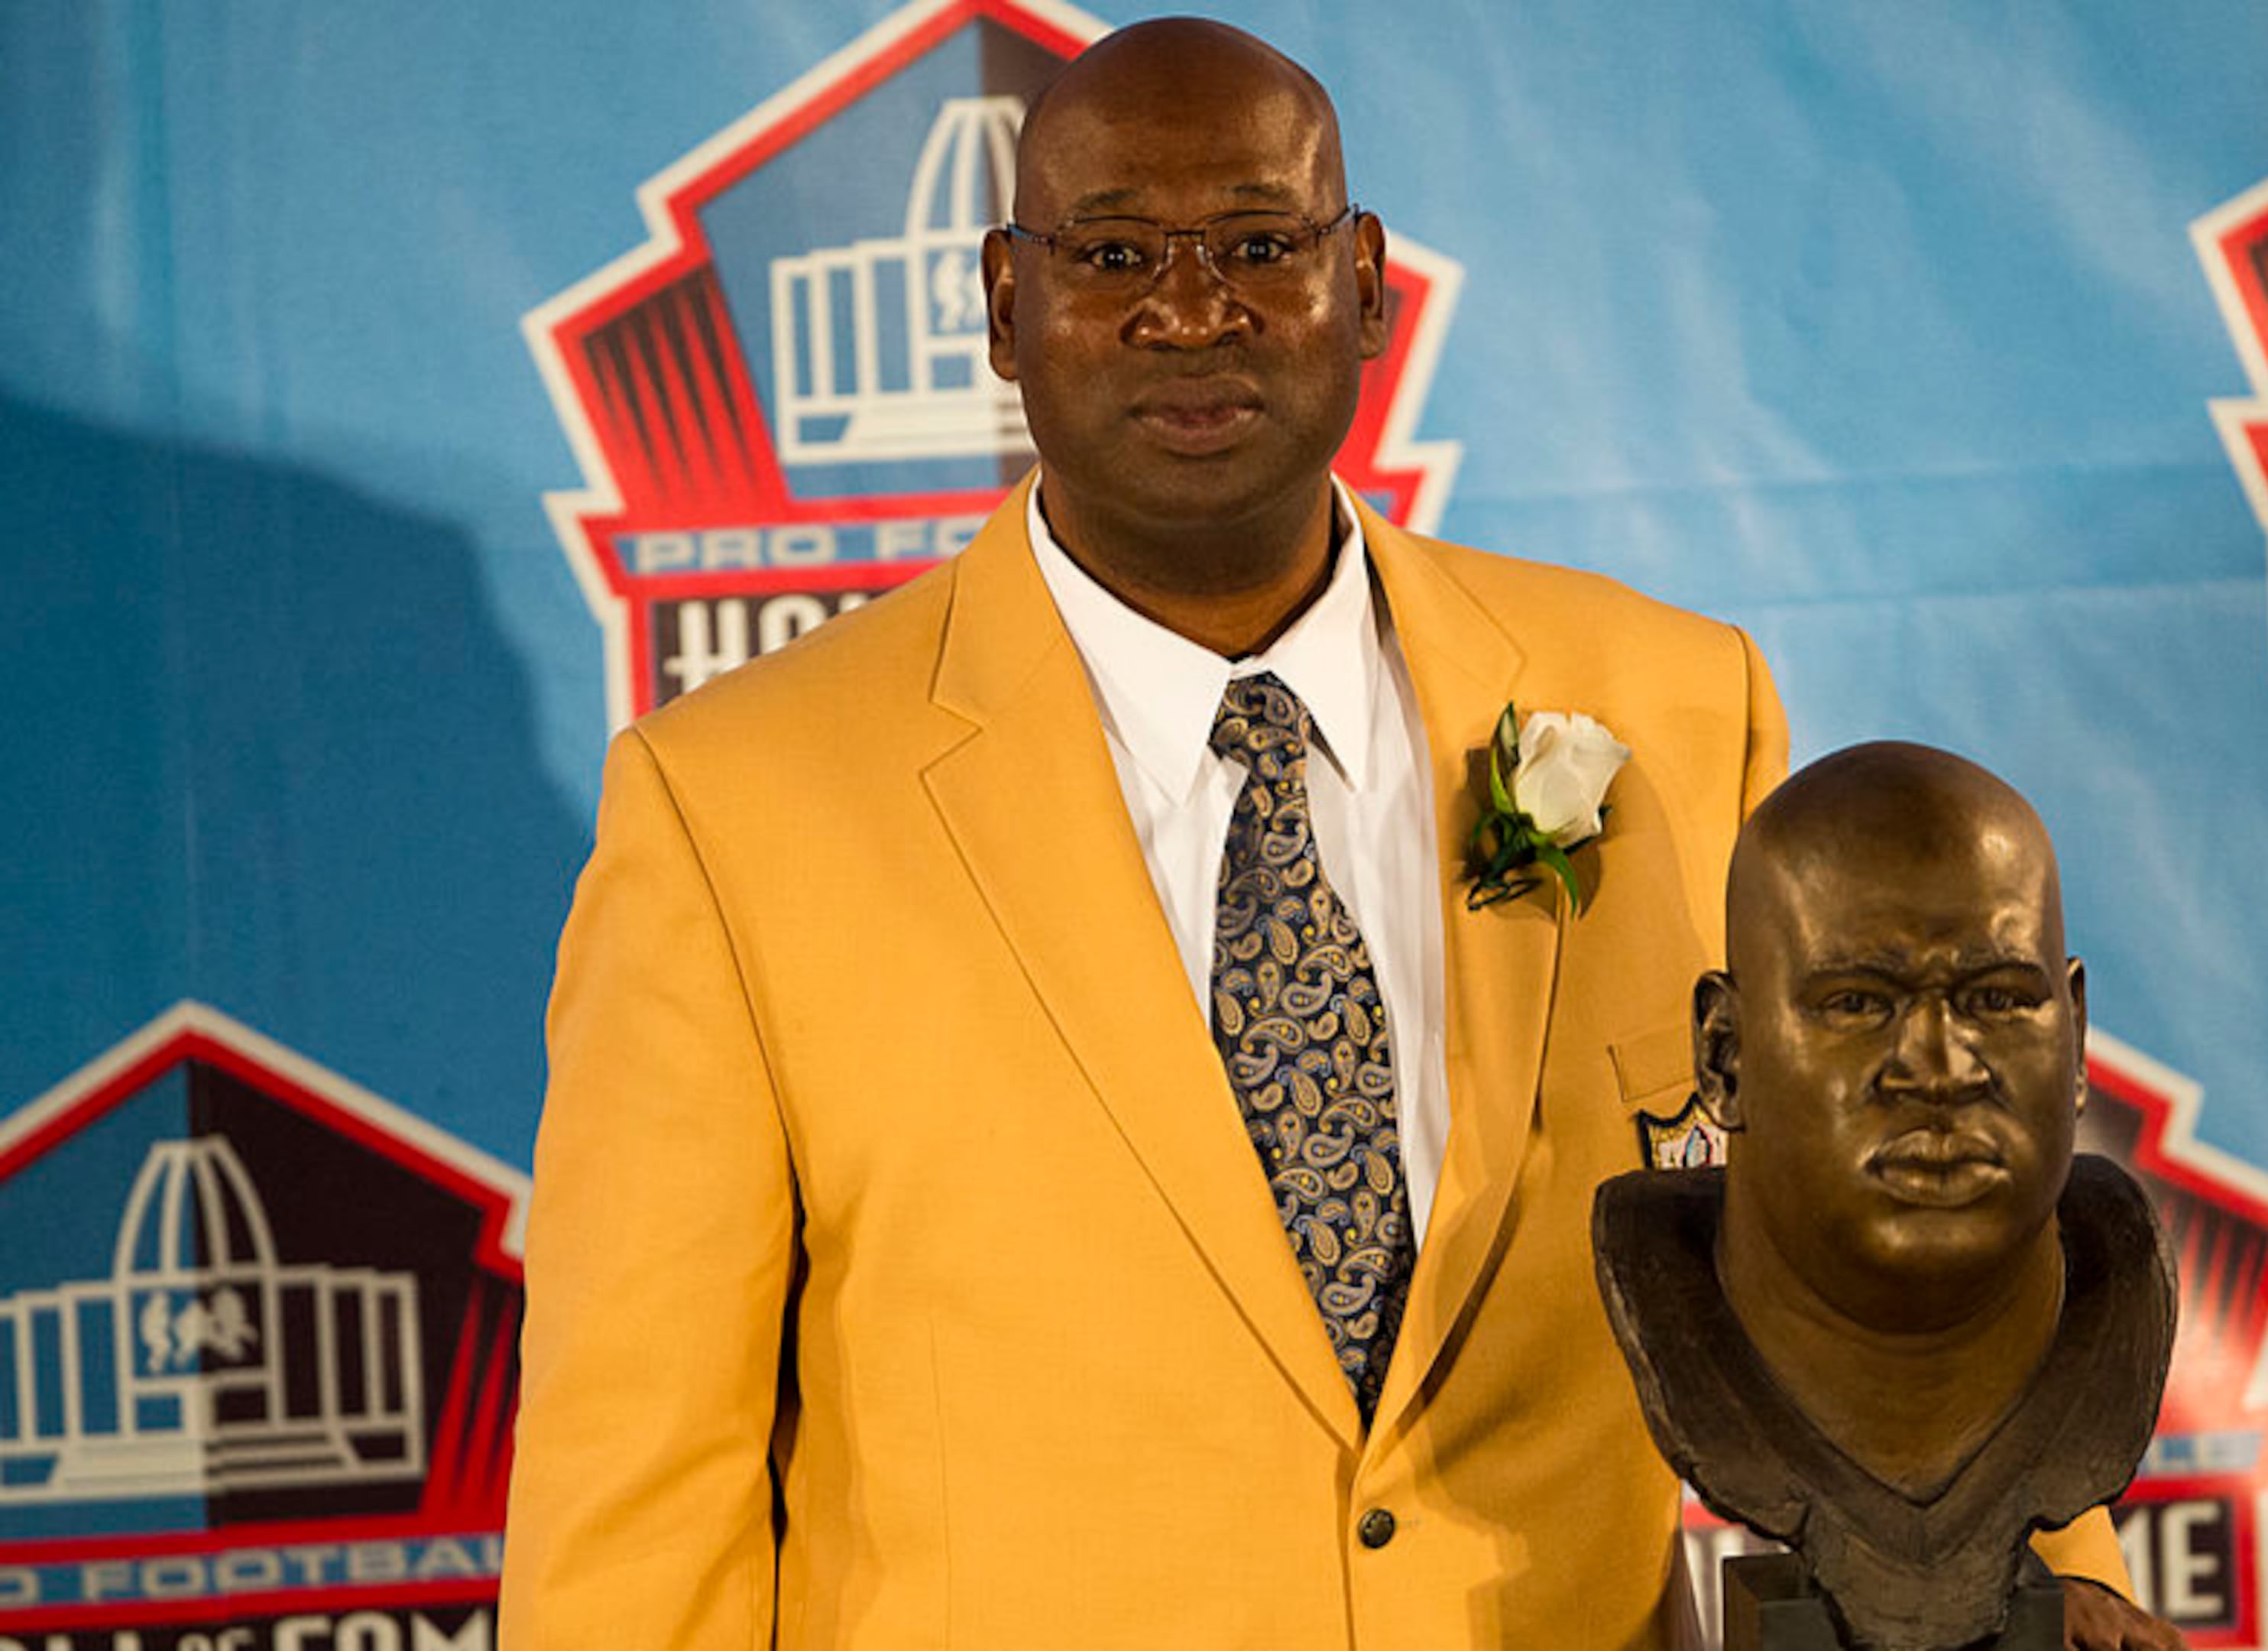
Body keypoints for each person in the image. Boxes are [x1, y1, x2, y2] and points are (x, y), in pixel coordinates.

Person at [499, 21, 2130, 1649]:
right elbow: (639, 1507)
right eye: (1116, 248)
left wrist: (2052, 1592)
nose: (1191, 309)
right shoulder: (736, 807)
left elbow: (1888, 1247)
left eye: (1259, 245)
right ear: (1006, 305)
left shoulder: (1673, 712)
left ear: (1362, 285)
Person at [1600, 742, 2186, 1651]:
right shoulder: (1670, 1299)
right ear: (1726, 1054)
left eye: (1997, 998)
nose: (1940, 1068)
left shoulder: (2116, 1287)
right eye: (1858, 1005)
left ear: (2075, 1041)